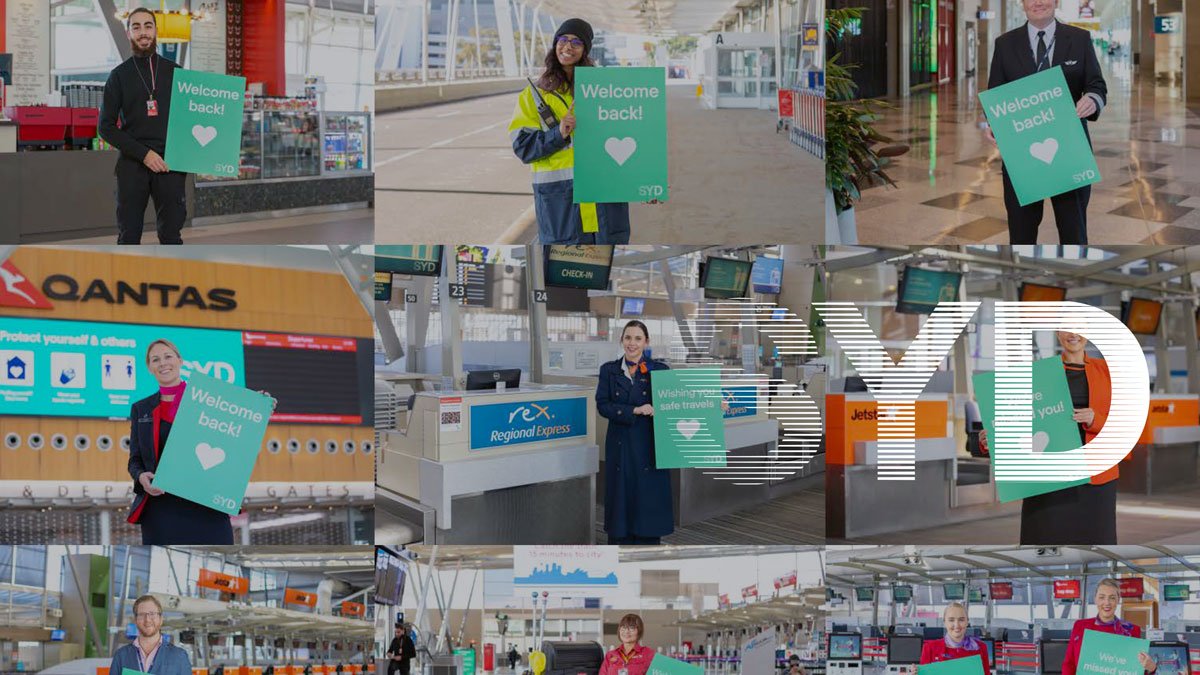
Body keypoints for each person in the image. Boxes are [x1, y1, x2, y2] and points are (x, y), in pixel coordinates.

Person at [126, 339, 274, 544]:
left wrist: (256, 406)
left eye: (168, 356)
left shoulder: (211, 400)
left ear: (180, 361)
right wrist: (141, 476)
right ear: (150, 368)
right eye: (155, 359)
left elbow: (236, 432)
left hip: (207, 504)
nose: (163, 363)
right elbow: (135, 460)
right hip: (161, 507)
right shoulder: (140, 409)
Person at [985, 0, 1107, 245]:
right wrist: (994, 122)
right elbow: (996, 92)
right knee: (1021, 235)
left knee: (1074, 233)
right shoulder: (1005, 44)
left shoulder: (1079, 38)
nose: (1038, 2)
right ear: (1022, 3)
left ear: (1056, 2)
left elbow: (1096, 85)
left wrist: (1093, 100)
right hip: (1022, 155)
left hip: (1070, 153)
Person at [981, 331, 1118, 543]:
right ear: (1057, 333)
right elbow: (1022, 418)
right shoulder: (1038, 374)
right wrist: (994, 436)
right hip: (1049, 478)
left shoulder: (1109, 373)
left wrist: (1095, 419)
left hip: (1095, 478)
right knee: (1043, 541)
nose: (1073, 334)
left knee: (1094, 545)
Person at [508, 18, 632, 244]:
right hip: (561, 202)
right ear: (555, 43)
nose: (568, 46)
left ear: (585, 50)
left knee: (602, 263)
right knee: (565, 266)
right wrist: (559, 134)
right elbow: (523, 147)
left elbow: (629, 137)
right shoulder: (535, 95)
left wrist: (645, 184)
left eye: (576, 42)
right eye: (563, 39)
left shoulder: (604, 91)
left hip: (602, 196)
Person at [99, 6, 187, 245]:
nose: (143, 32)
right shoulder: (118, 76)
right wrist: (145, 154)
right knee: (129, 235)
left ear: (156, 31)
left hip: (170, 164)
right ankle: (128, 282)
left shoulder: (177, 73)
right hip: (132, 164)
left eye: (148, 26)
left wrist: (204, 157)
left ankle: (171, 280)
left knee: (171, 235)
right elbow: (105, 127)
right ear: (129, 34)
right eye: (136, 27)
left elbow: (193, 120)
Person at [595, 321, 673, 544]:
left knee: (647, 504)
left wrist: (713, 405)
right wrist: (634, 410)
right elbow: (603, 405)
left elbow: (681, 401)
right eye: (628, 338)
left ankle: (647, 555)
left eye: (638, 339)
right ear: (622, 340)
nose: (632, 343)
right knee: (621, 502)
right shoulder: (608, 370)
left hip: (650, 448)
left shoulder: (659, 370)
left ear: (646, 342)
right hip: (621, 447)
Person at [1062, 579, 1157, 675]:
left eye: (1112, 598)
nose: (1107, 603)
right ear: (1095, 599)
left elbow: (1133, 670)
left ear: (1118, 600)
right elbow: (1069, 664)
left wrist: (1151, 669)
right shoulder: (1080, 626)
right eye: (1102, 597)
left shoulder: (1131, 631)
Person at [110, 595, 192, 675]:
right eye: (142, 614)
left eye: (152, 614)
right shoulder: (121, 656)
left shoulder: (179, 656)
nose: (147, 620)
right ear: (135, 620)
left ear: (161, 619)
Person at [919, 603, 991, 672]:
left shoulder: (980, 647)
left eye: (961, 620)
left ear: (967, 622)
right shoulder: (930, 648)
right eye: (951, 620)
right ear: (944, 622)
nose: (956, 625)